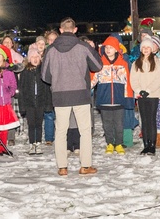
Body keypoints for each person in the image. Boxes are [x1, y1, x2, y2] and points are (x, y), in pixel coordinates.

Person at [40, 17, 102, 176]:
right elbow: (98, 65)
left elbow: (45, 76)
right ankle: (85, 165)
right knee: (85, 131)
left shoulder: (51, 49)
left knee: (60, 131)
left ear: (60, 30)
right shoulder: (82, 47)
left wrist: (59, 80)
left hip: (60, 96)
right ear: (75, 30)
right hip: (80, 94)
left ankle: (62, 167)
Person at [92, 36, 129, 155]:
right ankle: (109, 143)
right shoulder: (99, 64)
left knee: (119, 123)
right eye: (106, 47)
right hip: (104, 99)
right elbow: (93, 79)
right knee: (107, 123)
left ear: (116, 49)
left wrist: (128, 97)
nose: (108, 50)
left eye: (111, 47)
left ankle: (118, 143)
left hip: (119, 99)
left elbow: (128, 81)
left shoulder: (123, 64)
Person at [131, 36, 160, 155]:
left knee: (151, 120)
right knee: (144, 120)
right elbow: (133, 79)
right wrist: (139, 90)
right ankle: (146, 144)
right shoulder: (136, 63)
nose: (145, 49)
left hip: (153, 94)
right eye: (143, 47)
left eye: (148, 47)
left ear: (152, 49)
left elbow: (159, 78)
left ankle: (152, 145)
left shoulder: (157, 62)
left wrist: (148, 90)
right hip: (141, 95)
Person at [18, 46, 52, 155]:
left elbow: (47, 89)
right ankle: (32, 143)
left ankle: (38, 142)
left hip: (41, 101)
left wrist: (48, 104)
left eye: (37, 56)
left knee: (39, 123)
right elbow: (22, 89)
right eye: (32, 57)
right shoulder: (25, 71)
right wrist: (22, 106)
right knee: (31, 124)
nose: (35, 59)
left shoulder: (43, 70)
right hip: (29, 102)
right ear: (29, 59)